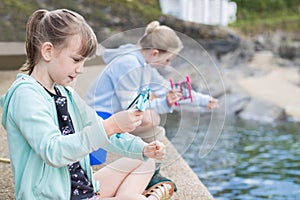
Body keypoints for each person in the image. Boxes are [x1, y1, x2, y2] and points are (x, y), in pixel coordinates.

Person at [0, 9, 175, 200]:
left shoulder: (64, 92)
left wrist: (142, 148)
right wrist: (112, 125)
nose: (80, 69)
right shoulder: (25, 95)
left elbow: (96, 126)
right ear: (48, 51)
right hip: (54, 195)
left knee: (146, 160)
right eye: (76, 60)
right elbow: (53, 151)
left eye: (83, 62)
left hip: (82, 188)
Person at [86, 20, 219, 194]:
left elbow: (167, 89)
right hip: (100, 116)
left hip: (114, 114)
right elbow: (132, 107)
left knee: (153, 118)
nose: (169, 64)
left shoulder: (143, 64)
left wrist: (203, 100)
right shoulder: (128, 64)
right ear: (155, 53)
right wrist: (164, 103)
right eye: (168, 59)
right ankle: (146, 157)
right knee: (150, 118)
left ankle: (147, 156)